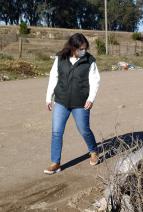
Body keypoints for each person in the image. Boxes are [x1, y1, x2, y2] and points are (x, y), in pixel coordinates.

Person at [44, 33, 100, 175]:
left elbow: (95, 81)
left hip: (81, 103)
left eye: (85, 48)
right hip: (61, 101)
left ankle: (93, 151)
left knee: (84, 130)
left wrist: (91, 99)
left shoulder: (89, 61)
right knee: (56, 132)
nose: (84, 51)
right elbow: (53, 77)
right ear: (73, 47)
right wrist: (48, 97)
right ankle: (55, 163)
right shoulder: (60, 58)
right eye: (81, 49)